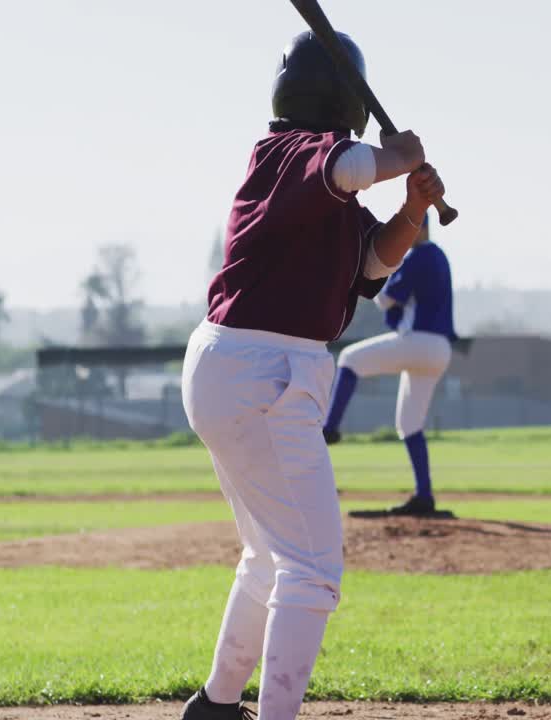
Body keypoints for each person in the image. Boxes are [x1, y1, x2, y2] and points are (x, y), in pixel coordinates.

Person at [178, 30, 446, 720]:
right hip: (262, 368)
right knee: (314, 568)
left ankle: (215, 704)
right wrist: (401, 157)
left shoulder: (317, 195)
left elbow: (369, 265)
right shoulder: (290, 153)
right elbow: (349, 166)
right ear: (344, 102)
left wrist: (413, 211)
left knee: (270, 555)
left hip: (240, 367)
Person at [322, 212, 457, 515]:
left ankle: (330, 428)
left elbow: (384, 299)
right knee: (409, 424)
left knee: (349, 358)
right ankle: (424, 496)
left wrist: (363, 269)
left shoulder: (419, 255)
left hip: (420, 342)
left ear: (419, 230)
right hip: (439, 349)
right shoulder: (439, 256)